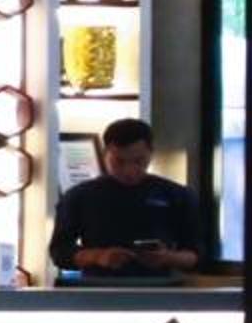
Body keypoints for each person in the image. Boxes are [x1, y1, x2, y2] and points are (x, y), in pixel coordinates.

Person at [50, 117, 205, 273]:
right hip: (98, 285)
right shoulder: (79, 196)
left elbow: (196, 254)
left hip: (161, 285)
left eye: (139, 161)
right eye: (119, 162)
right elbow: (60, 252)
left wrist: (168, 258)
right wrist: (98, 256)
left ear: (151, 153)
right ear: (105, 154)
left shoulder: (177, 195)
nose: (129, 171)